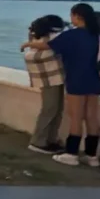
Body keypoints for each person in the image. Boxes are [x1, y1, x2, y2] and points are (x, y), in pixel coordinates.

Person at [22, 3, 100, 167]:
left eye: (72, 15)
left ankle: (72, 154)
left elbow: (47, 46)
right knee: (92, 118)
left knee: (76, 118)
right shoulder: (99, 35)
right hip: (96, 81)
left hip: (77, 80)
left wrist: (28, 44)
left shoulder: (72, 35)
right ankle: (92, 156)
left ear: (77, 16)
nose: (71, 19)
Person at [23, 15, 67, 155]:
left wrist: (28, 44)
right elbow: (50, 45)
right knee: (51, 108)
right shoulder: (50, 38)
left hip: (49, 77)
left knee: (56, 108)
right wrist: (28, 44)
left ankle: (50, 140)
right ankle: (39, 141)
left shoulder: (36, 36)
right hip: (51, 77)